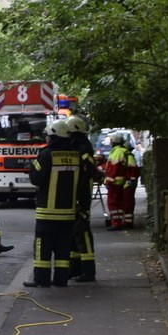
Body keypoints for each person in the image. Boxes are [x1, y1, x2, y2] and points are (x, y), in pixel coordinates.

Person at [24, 120, 81, 288]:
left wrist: (33, 166)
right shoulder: (75, 155)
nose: (47, 139)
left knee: (43, 247)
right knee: (63, 248)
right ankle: (61, 279)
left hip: (47, 212)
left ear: (54, 136)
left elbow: (36, 179)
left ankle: (41, 280)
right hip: (68, 213)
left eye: (48, 136)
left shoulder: (46, 154)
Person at [65, 116, 99, 281]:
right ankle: (76, 268)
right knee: (74, 233)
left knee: (83, 231)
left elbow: (86, 176)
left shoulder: (83, 150)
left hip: (82, 197)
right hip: (76, 196)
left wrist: (82, 203)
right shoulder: (78, 147)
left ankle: (88, 271)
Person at [103, 132, 139, 230]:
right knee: (119, 203)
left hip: (115, 183)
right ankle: (118, 222)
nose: (109, 142)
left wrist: (108, 182)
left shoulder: (117, 152)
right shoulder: (124, 151)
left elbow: (113, 169)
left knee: (112, 203)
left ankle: (116, 223)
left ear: (114, 141)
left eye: (110, 140)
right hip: (122, 183)